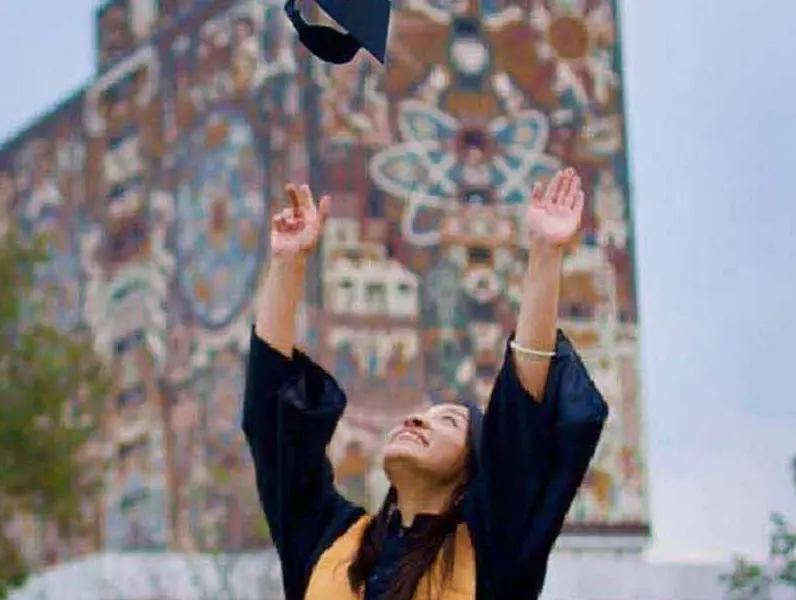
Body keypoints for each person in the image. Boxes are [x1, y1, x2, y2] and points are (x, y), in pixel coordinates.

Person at [241, 168, 608, 600]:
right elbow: (273, 426)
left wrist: (545, 252)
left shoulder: (492, 552)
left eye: (448, 421)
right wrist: (287, 264)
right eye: (423, 415)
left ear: (474, 470)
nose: (417, 419)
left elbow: (523, 419)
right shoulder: (330, 543)